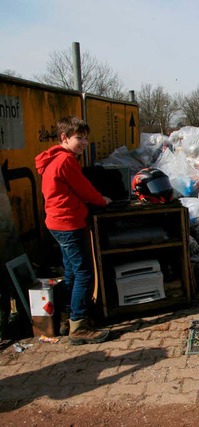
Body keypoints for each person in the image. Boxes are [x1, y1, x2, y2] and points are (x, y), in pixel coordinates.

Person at [34, 116, 112, 345]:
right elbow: (84, 189)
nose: (84, 143)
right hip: (68, 223)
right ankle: (79, 326)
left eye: (86, 138)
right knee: (84, 273)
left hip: (56, 222)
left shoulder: (54, 159)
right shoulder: (66, 161)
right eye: (79, 138)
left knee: (70, 273)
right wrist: (102, 201)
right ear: (64, 137)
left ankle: (65, 317)